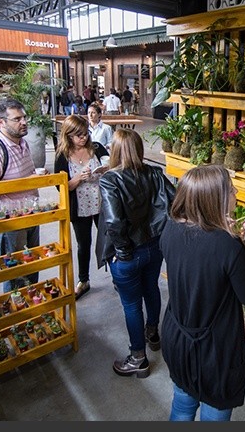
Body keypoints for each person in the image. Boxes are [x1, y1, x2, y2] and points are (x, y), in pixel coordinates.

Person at [159, 165, 245, 421]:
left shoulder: (170, 229)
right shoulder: (229, 246)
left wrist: (223, 231)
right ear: (214, 199)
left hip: (177, 337)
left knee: (182, 406)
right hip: (216, 351)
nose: (236, 193)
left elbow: (198, 260)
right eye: (231, 190)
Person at [95, 127, 176, 378]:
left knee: (131, 304)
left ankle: (138, 358)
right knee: (151, 289)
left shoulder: (109, 179)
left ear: (115, 150)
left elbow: (113, 221)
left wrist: (122, 251)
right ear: (139, 149)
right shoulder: (154, 173)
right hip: (154, 246)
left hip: (128, 253)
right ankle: (153, 333)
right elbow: (174, 202)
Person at [0, 98, 42, 292]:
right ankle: (17, 308)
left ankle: (33, 305)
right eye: (17, 119)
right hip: (9, 220)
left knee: (32, 264)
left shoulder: (22, 143)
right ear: (1, 122)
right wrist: (29, 180)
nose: (24, 122)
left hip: (30, 213)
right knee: (15, 272)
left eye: (24, 117)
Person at [54, 115, 109, 300]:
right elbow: (62, 187)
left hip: (101, 203)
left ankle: (117, 276)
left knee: (108, 239)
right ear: (68, 135)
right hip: (80, 206)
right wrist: (78, 178)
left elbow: (111, 165)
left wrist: (106, 169)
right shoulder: (62, 155)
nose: (83, 138)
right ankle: (83, 280)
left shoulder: (96, 148)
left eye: (86, 134)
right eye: (79, 135)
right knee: (83, 244)